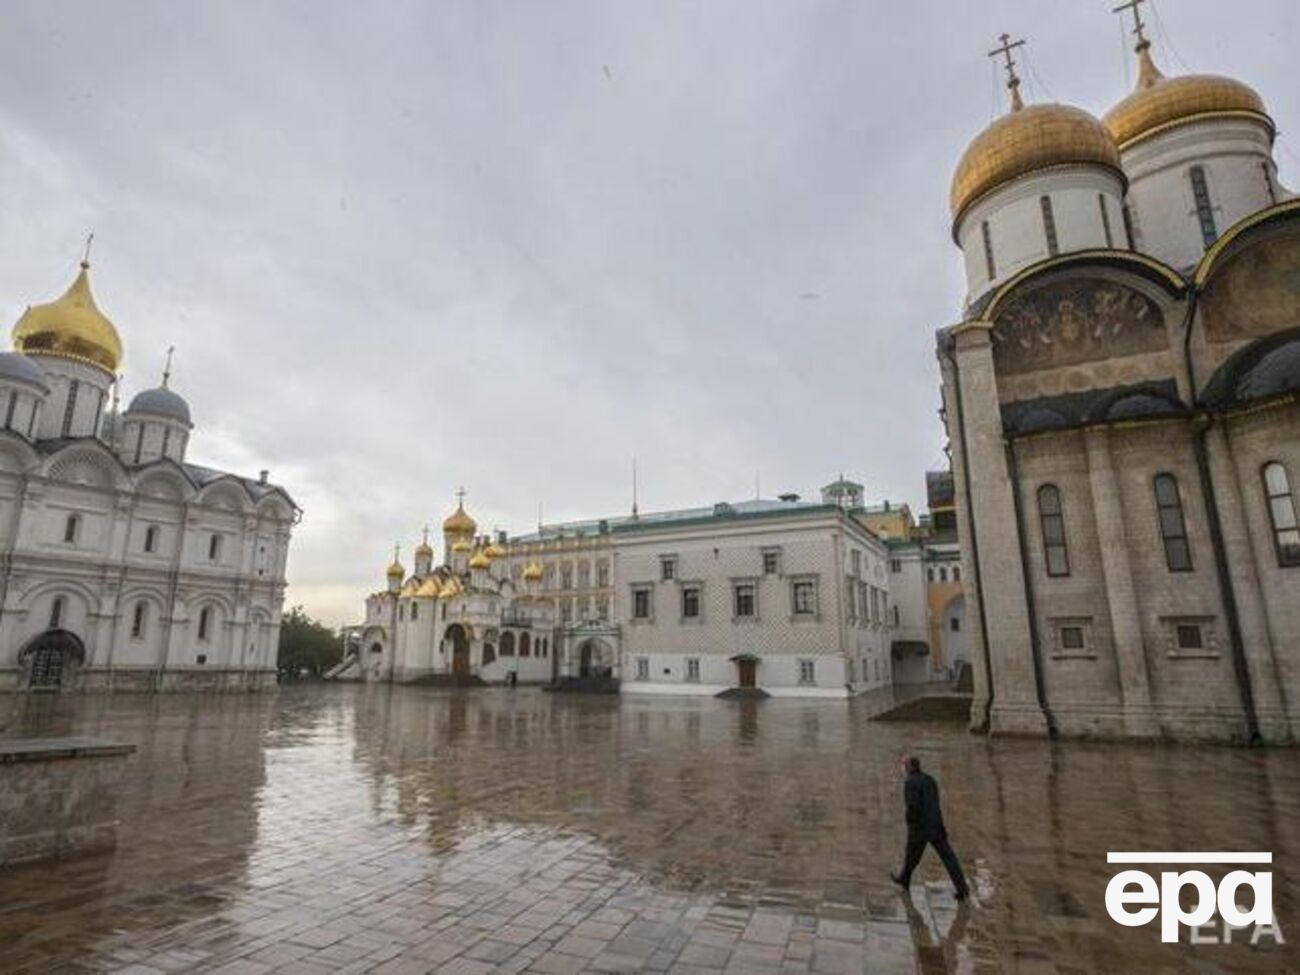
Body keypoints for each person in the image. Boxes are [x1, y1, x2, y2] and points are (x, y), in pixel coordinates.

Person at [891, 756, 970, 900]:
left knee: (912, 855)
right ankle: (962, 888)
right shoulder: (930, 780)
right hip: (936, 825)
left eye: (903, 765)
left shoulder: (910, 782)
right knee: (948, 858)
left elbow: (912, 806)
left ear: (909, 767)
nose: (902, 768)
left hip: (920, 828)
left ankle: (904, 878)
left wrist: (910, 821)